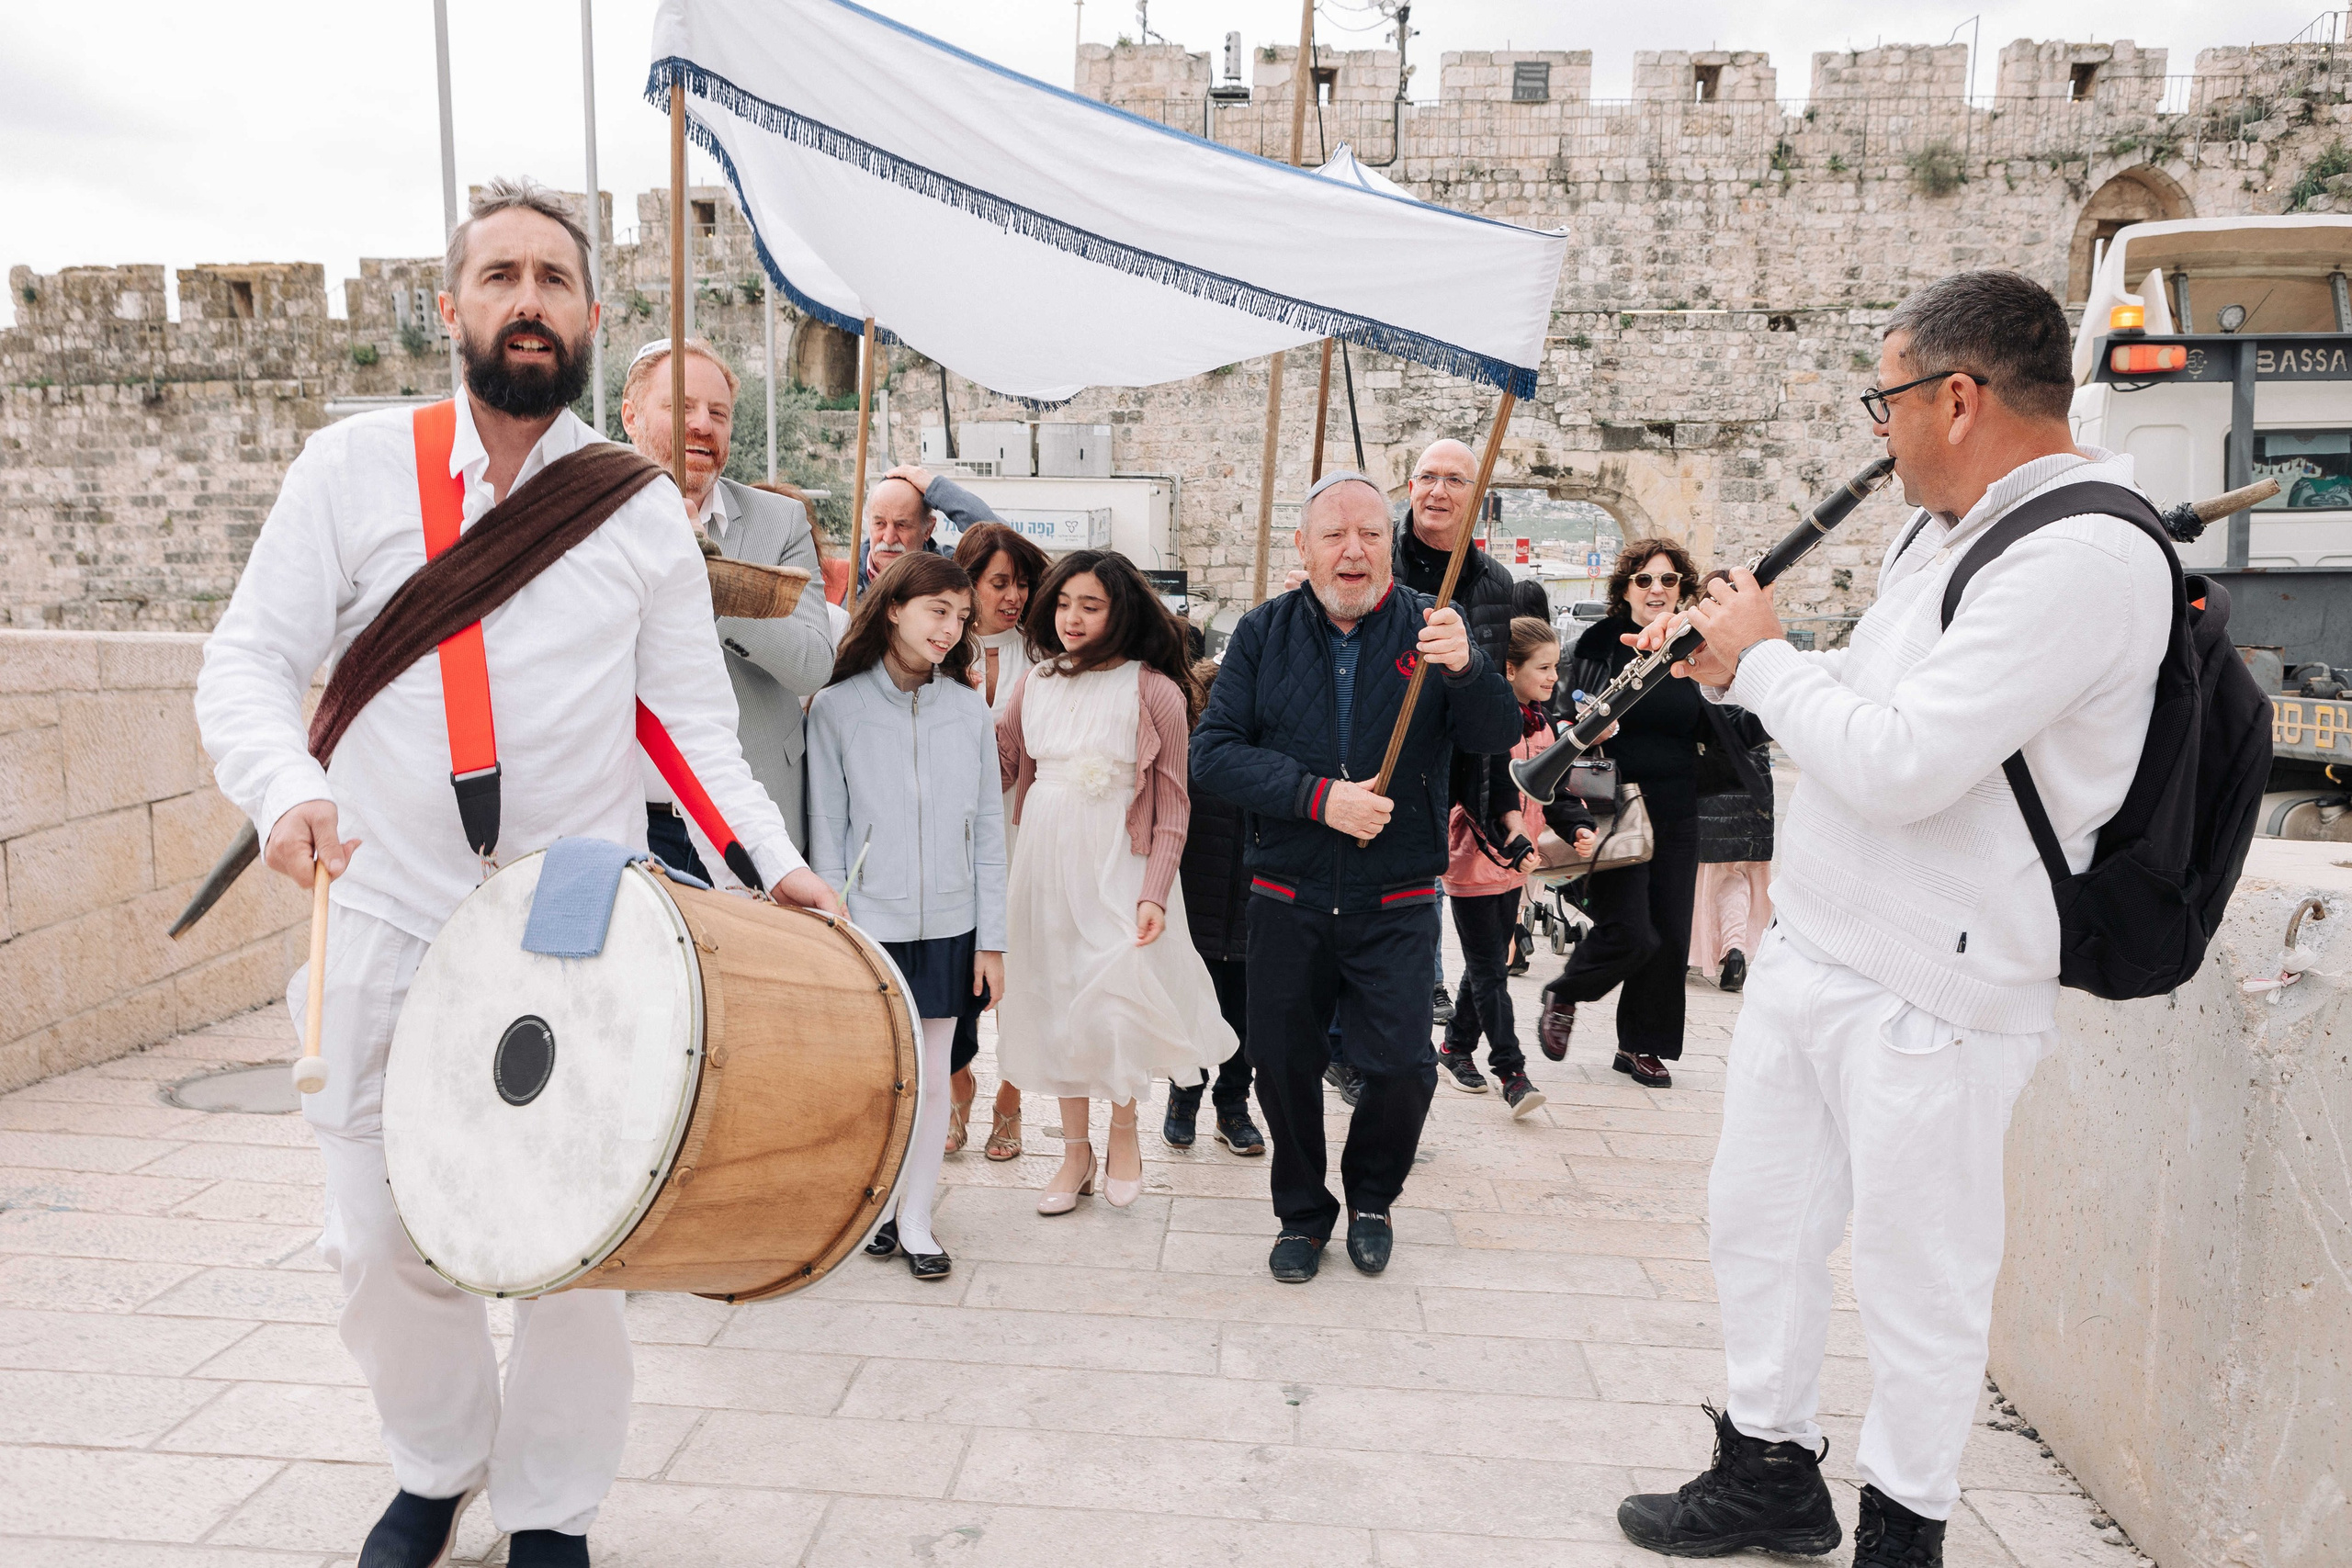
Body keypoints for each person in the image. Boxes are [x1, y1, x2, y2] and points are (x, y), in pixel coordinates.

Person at [192, 178, 839, 1568]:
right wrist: (289, 787)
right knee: (373, 1241)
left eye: (555, 277)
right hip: (383, 897)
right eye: (501, 276)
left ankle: (551, 1504)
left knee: (579, 1243)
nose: (529, 299)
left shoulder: (635, 507)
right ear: (452, 308)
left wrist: (776, 870)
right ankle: (437, 1459)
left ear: (594, 316)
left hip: (567, 917)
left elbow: (687, 728)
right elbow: (246, 660)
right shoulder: (351, 469)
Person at [1614, 270, 2170, 1565]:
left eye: (1889, 397)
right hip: (1824, 941)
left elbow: (1908, 762)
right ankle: (1768, 1468)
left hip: (1940, 982)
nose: (1880, 426)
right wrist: (1739, 669)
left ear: (1960, 397)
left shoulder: (2088, 553)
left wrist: (1765, 657)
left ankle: (1903, 1530)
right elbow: (1860, 694)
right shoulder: (1946, 527)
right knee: (1756, 1220)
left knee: (1919, 1279)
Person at [1192, 471, 1519, 1283]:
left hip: (1398, 897)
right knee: (1284, 1063)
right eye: (1333, 534)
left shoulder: (1431, 626)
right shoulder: (1263, 633)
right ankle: (1302, 1213)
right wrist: (1319, 799)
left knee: (1404, 1065)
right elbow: (1215, 753)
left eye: (1371, 533)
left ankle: (1372, 1196)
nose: (1353, 549)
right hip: (1288, 893)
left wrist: (1470, 667)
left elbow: (1496, 732)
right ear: (1301, 549)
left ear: (1391, 544)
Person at [994, 549, 1231, 1215]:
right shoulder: (1034, 681)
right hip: (1043, 863)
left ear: (1118, 611)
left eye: (1089, 605)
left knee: (1118, 1001)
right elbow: (1004, 766)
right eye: (1064, 602)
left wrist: (1154, 888)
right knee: (1058, 1000)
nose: (1072, 616)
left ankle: (1124, 1132)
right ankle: (1076, 1152)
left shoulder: (1154, 688)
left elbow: (1175, 802)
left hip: (1122, 867)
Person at [808, 552, 1006, 1280]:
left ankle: (917, 1217)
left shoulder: (968, 710)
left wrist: (994, 940)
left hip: (952, 926)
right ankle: (881, 1207)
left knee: (931, 1076)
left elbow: (988, 827)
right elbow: (825, 828)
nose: (952, 629)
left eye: (961, 616)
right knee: (877, 1081)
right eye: (938, 611)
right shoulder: (836, 708)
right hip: (868, 927)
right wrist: (838, 928)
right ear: (893, 607)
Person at [620, 339, 834, 871]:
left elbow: (811, 664)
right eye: (680, 406)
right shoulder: (590, 518)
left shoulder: (778, 522)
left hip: (747, 820)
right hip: (626, 820)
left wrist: (709, 579)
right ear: (631, 416)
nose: (702, 425)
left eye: (718, 413)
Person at [1534, 536, 1731, 1089]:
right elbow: (1564, 710)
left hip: (1676, 804)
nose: (1657, 590)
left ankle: (1641, 1046)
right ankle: (1567, 991)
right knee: (1634, 929)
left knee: (1669, 932)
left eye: (1668, 581)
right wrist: (1592, 726)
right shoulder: (1600, 641)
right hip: (1610, 800)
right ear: (1626, 588)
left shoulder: (1692, 647)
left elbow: (1709, 722)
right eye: (1645, 579)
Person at [1437, 615, 1593, 1118]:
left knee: (1488, 963)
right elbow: (1479, 799)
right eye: (1543, 668)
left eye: (1556, 667)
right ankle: (1512, 1071)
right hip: (1476, 858)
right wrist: (1512, 846)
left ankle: (1456, 1047)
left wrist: (1578, 828)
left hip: (1517, 863)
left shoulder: (1543, 720)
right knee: (1490, 969)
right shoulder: (1485, 723)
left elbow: (1556, 791)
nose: (1554, 678)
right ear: (1509, 669)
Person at [944, 520, 1050, 1160]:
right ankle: (959, 1084)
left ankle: (1010, 1101)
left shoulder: (1041, 654)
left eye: (1022, 582)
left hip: (1020, 821)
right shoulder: (936, 646)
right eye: (999, 582)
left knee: (1019, 969)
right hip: (952, 832)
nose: (1013, 595)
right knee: (954, 973)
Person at [1164, 658, 1268, 1156]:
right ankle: (1183, 1098)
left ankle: (1233, 1108)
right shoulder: (1188, 759)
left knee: (1242, 1021)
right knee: (1192, 1013)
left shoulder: (1270, 760)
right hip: (1196, 917)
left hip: (1252, 917)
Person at [1689, 705, 1773, 992]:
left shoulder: (1701, 680)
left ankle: (1691, 951)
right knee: (1735, 878)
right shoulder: (1754, 683)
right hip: (1754, 792)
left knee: (1704, 882)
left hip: (1710, 790)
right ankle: (1735, 952)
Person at [858, 461, 1002, 588]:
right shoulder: (845, 579)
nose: (889, 539)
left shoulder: (951, 573)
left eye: (902, 525)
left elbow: (1004, 542)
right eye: (879, 524)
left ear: (928, 530)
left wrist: (935, 489)